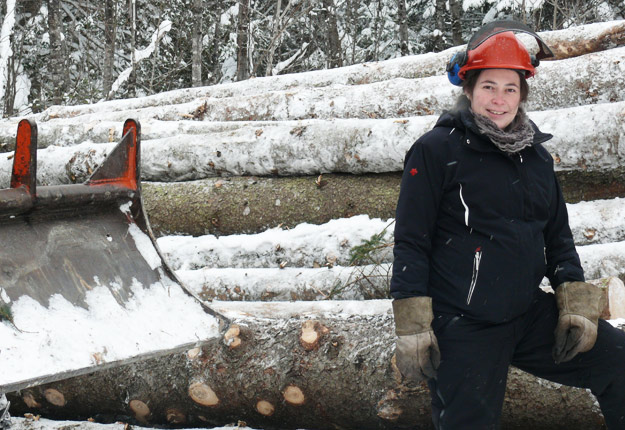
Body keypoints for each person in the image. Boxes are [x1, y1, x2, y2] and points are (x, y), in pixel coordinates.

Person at [389, 20, 625, 429]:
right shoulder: (435, 150)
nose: (499, 99)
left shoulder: (535, 157)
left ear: (523, 94)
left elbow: (557, 235)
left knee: (619, 360)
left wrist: (574, 302)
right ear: (468, 90)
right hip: (463, 323)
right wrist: (413, 323)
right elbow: (411, 239)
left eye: (510, 88)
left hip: (526, 313)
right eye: (489, 87)